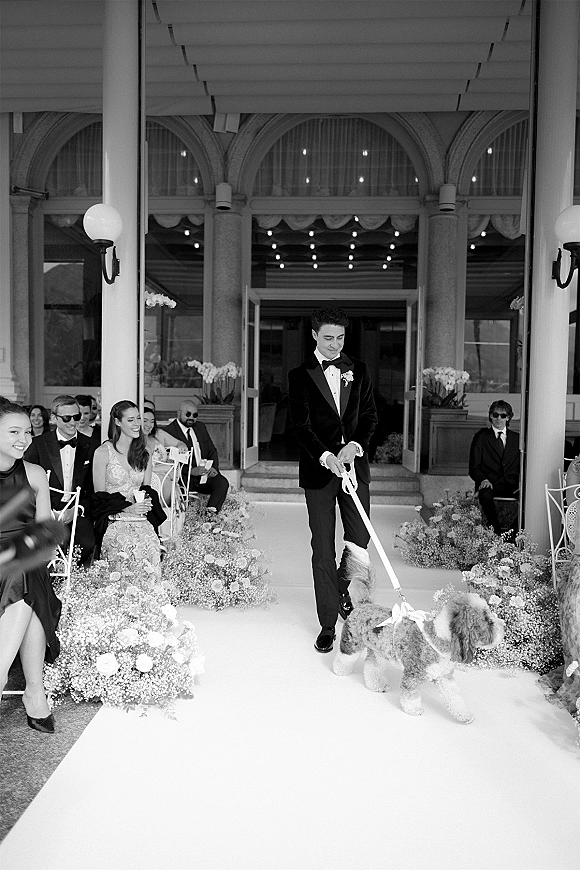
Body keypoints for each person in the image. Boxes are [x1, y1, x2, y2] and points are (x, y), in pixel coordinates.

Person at [288, 307, 377, 653]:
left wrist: (354, 447)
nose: (334, 345)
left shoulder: (359, 370)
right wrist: (327, 456)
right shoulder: (300, 375)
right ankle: (328, 622)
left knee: (360, 537)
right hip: (319, 470)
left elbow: (369, 416)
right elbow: (301, 426)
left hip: (355, 467)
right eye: (328, 337)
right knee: (322, 546)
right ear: (314, 335)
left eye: (340, 338)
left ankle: (342, 589)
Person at [0, 399, 61, 733]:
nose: (24, 438)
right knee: (26, 586)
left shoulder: (35, 473)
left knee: (25, 576)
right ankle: (34, 693)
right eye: (13, 431)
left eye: (27, 431)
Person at [92, 400, 164, 574]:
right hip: (113, 517)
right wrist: (128, 509)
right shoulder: (103, 452)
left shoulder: (144, 452)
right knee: (127, 546)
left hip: (141, 518)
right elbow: (99, 496)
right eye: (131, 420)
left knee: (151, 545)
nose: (138, 424)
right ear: (117, 422)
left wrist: (145, 503)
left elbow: (147, 490)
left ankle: (149, 596)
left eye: (138, 418)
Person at [25, 394, 96, 566]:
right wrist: (47, 511)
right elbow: (26, 483)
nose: (73, 422)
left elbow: (93, 490)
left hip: (76, 512)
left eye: (77, 417)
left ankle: (71, 582)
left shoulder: (91, 445)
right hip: (44, 512)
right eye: (67, 418)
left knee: (87, 543)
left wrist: (76, 510)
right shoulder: (38, 444)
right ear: (55, 419)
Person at [161, 400, 229, 513]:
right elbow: (170, 461)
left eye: (195, 415)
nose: (191, 418)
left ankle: (209, 517)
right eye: (188, 414)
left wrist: (214, 468)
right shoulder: (169, 432)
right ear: (179, 413)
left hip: (204, 475)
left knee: (222, 483)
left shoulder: (200, 427)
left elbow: (212, 450)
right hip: (184, 478)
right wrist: (192, 471)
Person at [469, 400, 520, 535]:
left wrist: (523, 483)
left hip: (513, 485)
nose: (499, 418)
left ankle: (511, 534)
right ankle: (496, 532)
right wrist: (483, 479)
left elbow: (523, 465)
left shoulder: (517, 439)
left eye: (503, 416)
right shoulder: (481, 437)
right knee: (485, 495)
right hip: (490, 484)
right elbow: (474, 467)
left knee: (532, 497)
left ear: (508, 417)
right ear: (490, 416)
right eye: (495, 415)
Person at [142, 407, 188, 505]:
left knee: (168, 481)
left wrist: (181, 446)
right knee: (162, 480)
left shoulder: (158, 434)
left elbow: (180, 443)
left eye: (152, 421)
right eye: (144, 421)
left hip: (167, 474)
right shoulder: (134, 440)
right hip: (148, 476)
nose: (148, 425)